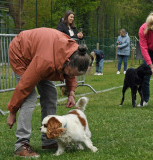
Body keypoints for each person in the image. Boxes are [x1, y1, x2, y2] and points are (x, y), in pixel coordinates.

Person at [6, 28, 90, 158]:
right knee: (29, 97)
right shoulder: (46, 61)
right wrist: (12, 111)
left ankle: (49, 139)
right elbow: (24, 86)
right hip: (21, 52)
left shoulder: (75, 54)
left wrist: (71, 92)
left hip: (40, 53)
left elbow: (70, 74)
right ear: (68, 62)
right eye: (71, 73)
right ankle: (21, 145)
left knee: (51, 94)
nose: (71, 76)